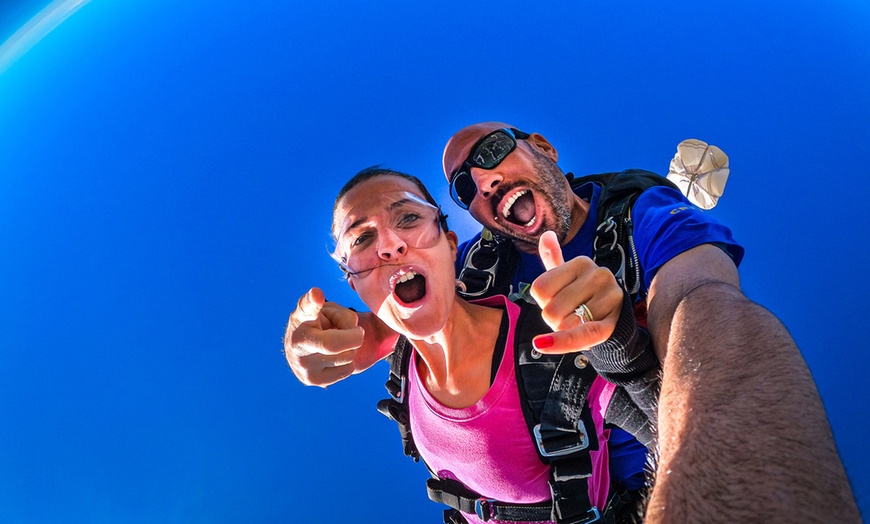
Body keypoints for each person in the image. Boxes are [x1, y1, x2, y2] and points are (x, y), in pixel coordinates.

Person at [284, 123, 860, 521]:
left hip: (651, 472)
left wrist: (629, 347)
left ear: (543, 148)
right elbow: (405, 303)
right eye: (464, 188)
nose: (482, 183)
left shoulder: (641, 216)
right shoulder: (480, 264)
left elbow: (702, 299)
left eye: (489, 155)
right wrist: (324, 344)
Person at [324, 167, 656, 523]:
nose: (390, 245)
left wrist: (618, 346)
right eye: (361, 240)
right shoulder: (403, 375)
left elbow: (684, 434)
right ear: (353, 284)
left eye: (408, 217)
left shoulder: (551, 347)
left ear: (450, 245)